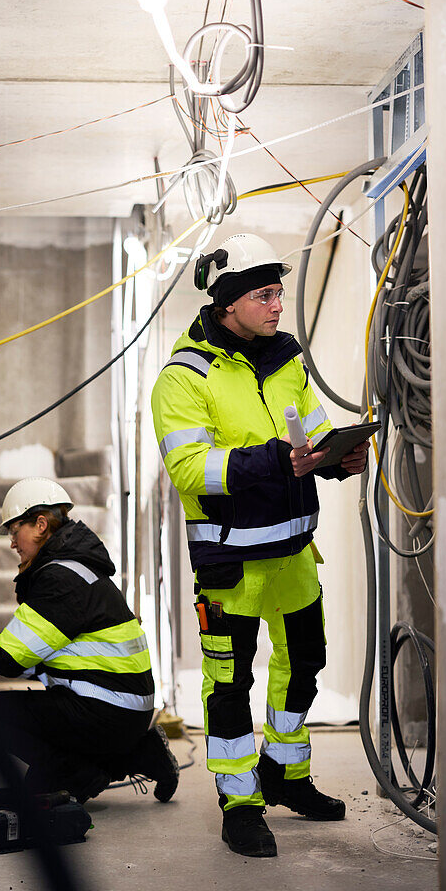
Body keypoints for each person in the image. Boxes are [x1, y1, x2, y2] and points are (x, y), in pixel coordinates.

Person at [150, 233, 369, 858]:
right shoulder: (186, 375)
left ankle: (285, 776)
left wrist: (334, 457)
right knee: (228, 685)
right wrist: (280, 462)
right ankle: (241, 805)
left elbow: (312, 430)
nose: (277, 305)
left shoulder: (287, 362)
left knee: (304, 665)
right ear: (227, 302)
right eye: (264, 295)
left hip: (295, 553)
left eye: (279, 293)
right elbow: (191, 468)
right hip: (229, 563)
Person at [0, 476, 179, 805]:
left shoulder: (60, 579)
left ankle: (83, 771)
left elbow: (10, 658)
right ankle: (141, 752)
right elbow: (40, 658)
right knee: (37, 719)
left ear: (39, 524)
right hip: (123, 708)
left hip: (107, 711)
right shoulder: (74, 569)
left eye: (13, 529)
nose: (11, 542)